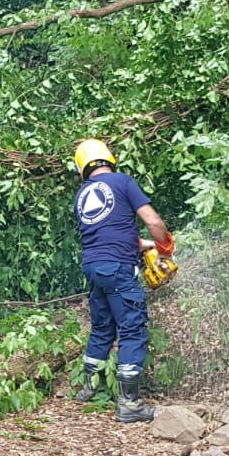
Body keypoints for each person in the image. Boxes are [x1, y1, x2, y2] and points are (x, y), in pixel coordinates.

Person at [70, 139, 174, 423]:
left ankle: (89, 387)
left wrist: (146, 247)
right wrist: (164, 249)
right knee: (132, 329)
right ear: (108, 158)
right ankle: (129, 404)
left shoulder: (82, 195)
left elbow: (109, 234)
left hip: (94, 266)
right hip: (117, 268)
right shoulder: (123, 181)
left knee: (103, 326)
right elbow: (152, 221)